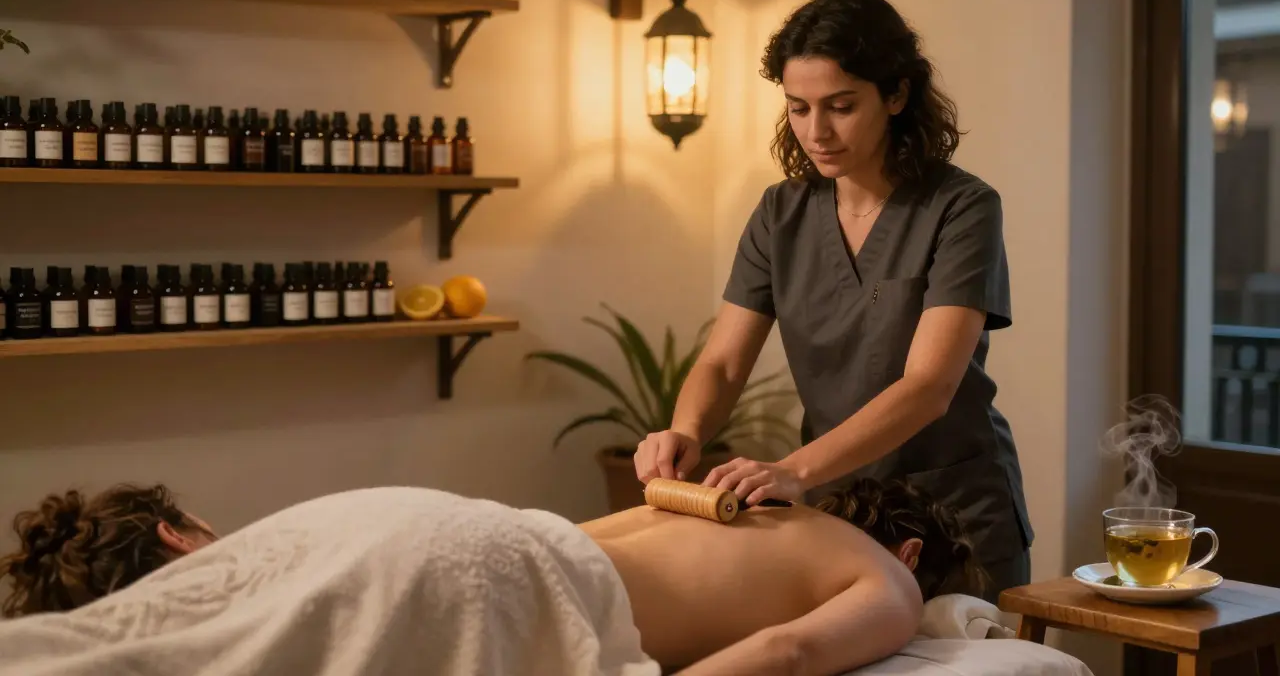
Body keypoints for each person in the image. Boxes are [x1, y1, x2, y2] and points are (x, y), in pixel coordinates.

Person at [632, 0, 1033, 603]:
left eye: (840, 107)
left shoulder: (962, 208)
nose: (816, 131)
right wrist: (685, 431)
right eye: (798, 108)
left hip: (954, 519)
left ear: (896, 95)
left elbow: (929, 386)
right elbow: (724, 362)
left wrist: (792, 470)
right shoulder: (781, 214)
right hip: (839, 508)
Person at [1, 478, 986, 675]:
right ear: (913, 558)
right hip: (510, 566)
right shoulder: (890, 586)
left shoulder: (738, 504)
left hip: (440, 516)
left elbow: (569, 535)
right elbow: (786, 654)